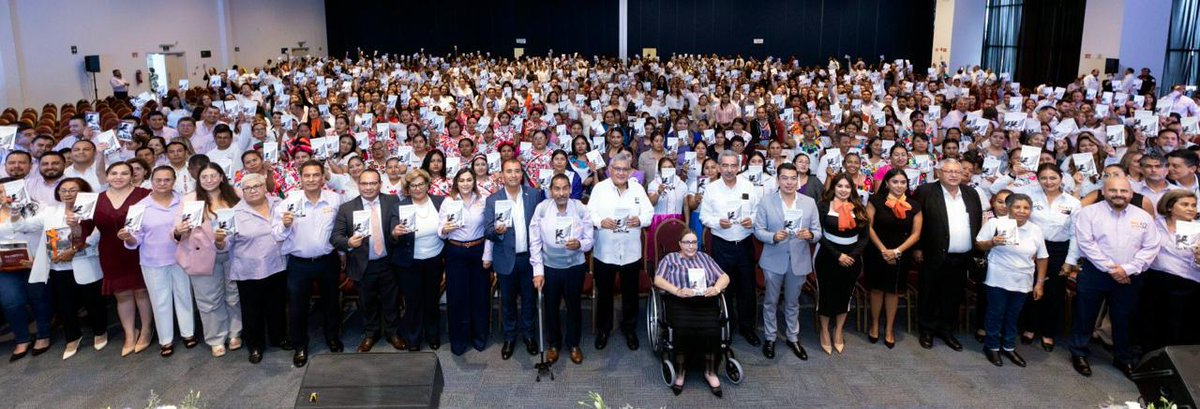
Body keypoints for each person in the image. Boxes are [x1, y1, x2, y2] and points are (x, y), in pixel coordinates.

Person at [1068, 176, 1160, 378]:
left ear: (1131, 193)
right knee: (1085, 314)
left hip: (1130, 276)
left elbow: (1151, 247)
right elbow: (1087, 244)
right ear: (1104, 191)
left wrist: (1127, 269)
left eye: (1124, 191)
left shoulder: (1143, 217)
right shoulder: (1089, 213)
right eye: (1113, 190)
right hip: (1095, 273)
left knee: (1123, 318)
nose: (1119, 195)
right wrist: (1113, 269)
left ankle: (1122, 358)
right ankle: (1079, 352)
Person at [118, 166, 198, 357]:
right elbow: (135, 239)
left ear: (174, 180)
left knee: (184, 296)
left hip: (181, 257)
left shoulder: (185, 202)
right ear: (151, 181)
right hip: (153, 260)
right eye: (158, 180)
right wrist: (127, 237)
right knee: (159, 301)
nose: (162, 184)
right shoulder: (139, 208)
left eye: (167, 180)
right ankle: (166, 340)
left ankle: (188, 333)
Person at [273, 160, 344, 364]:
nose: (312, 179)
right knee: (297, 307)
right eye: (307, 175)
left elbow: (341, 228)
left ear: (323, 177)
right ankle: (300, 346)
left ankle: (332, 338)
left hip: (328, 260)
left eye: (316, 175)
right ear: (300, 178)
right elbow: (276, 234)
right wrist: (285, 226)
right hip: (299, 264)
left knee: (331, 303)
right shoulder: (288, 202)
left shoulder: (334, 200)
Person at [81, 161, 154, 356]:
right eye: (114, 173)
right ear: (106, 176)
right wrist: (73, 223)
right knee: (121, 294)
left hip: (139, 248)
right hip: (110, 252)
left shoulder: (144, 195)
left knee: (141, 291)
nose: (118, 177)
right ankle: (130, 334)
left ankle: (146, 330)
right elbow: (83, 231)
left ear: (133, 176)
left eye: (124, 173)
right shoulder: (93, 199)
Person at [214, 173, 288, 364]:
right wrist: (219, 240)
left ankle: (279, 338)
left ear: (265, 187)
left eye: (257, 186)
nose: (253, 190)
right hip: (248, 269)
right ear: (242, 192)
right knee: (251, 310)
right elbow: (223, 245)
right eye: (248, 188)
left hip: (277, 265)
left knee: (277, 306)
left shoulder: (279, 204)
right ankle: (255, 346)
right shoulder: (234, 214)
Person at [29, 178, 105, 360]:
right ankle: (72, 337)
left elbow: (96, 234)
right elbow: (25, 225)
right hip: (59, 265)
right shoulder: (50, 211)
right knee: (65, 304)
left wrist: (73, 250)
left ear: (82, 191)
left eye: (73, 190)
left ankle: (100, 331)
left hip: (86, 260)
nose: (68, 193)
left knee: (92, 300)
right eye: (63, 190)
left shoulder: (91, 210)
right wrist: (14, 211)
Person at [913, 158, 983, 351]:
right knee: (930, 294)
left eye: (957, 172)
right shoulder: (925, 192)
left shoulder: (971, 193)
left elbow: (976, 222)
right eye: (948, 171)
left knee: (953, 295)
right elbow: (916, 222)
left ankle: (946, 330)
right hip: (933, 253)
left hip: (962, 256)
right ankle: (926, 331)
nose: (953, 175)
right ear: (939, 173)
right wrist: (917, 248)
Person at [332, 169, 405, 353]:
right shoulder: (347, 208)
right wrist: (348, 242)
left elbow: (399, 229)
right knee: (367, 302)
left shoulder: (392, 201)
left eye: (373, 183)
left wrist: (397, 233)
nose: (368, 187)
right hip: (363, 264)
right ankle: (371, 334)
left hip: (388, 262)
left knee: (391, 301)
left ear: (380, 184)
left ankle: (392, 333)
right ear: (359, 185)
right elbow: (335, 237)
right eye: (364, 183)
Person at [586, 152, 652, 351]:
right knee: (605, 293)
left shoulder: (638, 189)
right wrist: (600, 222)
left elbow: (649, 212)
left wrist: (639, 220)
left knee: (629, 293)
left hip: (631, 251)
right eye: (617, 169)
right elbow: (589, 213)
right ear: (609, 170)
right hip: (605, 251)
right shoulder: (599, 189)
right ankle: (603, 329)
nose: (621, 173)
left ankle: (629, 329)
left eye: (625, 169)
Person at [753, 163, 820, 359]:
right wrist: (773, 237)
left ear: (798, 180)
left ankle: (792, 337)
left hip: (798, 260)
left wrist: (809, 235)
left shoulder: (808, 202)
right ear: (778, 180)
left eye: (793, 178)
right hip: (773, 259)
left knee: (792, 302)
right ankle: (770, 337)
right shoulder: (766, 201)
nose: (789, 182)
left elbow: (817, 233)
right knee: (770, 301)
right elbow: (758, 230)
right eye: (785, 178)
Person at [653, 229, 730, 397]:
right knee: (683, 329)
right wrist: (678, 290)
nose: (691, 246)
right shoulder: (670, 259)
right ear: (680, 244)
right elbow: (658, 280)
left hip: (705, 302)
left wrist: (716, 288)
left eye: (694, 242)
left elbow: (725, 277)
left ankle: (710, 371)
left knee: (713, 329)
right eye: (687, 242)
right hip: (680, 301)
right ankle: (680, 373)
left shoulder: (705, 258)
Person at [974, 193, 1048, 367]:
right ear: (1009, 208)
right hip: (997, 277)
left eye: (1026, 208)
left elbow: (1043, 258)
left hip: (1023, 279)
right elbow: (978, 244)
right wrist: (992, 242)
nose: (1022, 211)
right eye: (1017, 207)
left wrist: (1039, 283)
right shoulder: (995, 223)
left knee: (1013, 314)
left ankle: (1008, 346)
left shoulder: (1035, 229)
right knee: (996, 312)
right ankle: (991, 346)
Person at [176, 163, 242, 358]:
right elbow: (176, 230)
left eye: (214, 175)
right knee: (209, 301)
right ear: (199, 179)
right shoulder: (190, 200)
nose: (209, 180)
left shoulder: (235, 195)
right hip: (202, 256)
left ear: (222, 177)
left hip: (233, 253)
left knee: (234, 296)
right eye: (205, 176)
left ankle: (235, 332)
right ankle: (216, 338)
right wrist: (179, 230)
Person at [529, 173, 595, 365]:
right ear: (551, 191)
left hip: (574, 266)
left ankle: (574, 344)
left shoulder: (580, 209)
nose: (561, 193)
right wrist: (538, 271)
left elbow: (590, 239)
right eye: (556, 189)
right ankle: (554, 345)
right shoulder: (542, 209)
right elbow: (534, 241)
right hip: (550, 267)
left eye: (564, 188)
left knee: (574, 306)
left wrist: (580, 245)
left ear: (570, 189)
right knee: (551, 307)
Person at [700, 150, 763, 346]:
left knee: (747, 288)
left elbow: (757, 211)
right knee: (723, 288)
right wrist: (718, 223)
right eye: (725, 166)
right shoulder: (711, 189)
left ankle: (747, 328)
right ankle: (726, 326)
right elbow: (704, 217)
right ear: (719, 167)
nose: (729, 170)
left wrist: (751, 220)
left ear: (739, 166)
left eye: (733, 165)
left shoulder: (749, 186)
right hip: (722, 245)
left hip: (744, 244)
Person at [483, 159, 544, 359]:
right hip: (505, 259)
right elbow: (488, 231)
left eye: (517, 171)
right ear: (502, 175)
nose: (513, 175)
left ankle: (528, 335)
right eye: (509, 171)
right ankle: (509, 337)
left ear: (522, 174)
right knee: (507, 301)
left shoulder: (534, 195)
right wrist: (497, 231)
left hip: (529, 258)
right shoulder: (493, 200)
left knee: (529, 300)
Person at [1019, 164, 1079, 352]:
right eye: (1043, 178)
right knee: (1030, 289)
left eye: (1053, 178)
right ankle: (1029, 328)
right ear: (1038, 179)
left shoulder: (1073, 202)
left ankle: (1048, 332)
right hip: (1032, 248)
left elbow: (1075, 235)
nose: (1048, 182)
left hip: (1059, 250)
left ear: (1061, 178)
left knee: (1053, 293)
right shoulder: (1030, 197)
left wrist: (1070, 261)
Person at [865, 167, 922, 349]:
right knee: (877, 290)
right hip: (876, 251)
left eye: (903, 182)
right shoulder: (875, 201)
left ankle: (889, 329)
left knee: (893, 291)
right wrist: (883, 250)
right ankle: (874, 324)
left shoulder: (914, 205)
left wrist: (896, 251)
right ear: (887, 183)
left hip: (901, 254)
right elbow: (868, 227)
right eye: (895, 182)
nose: (899, 185)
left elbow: (916, 234)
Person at [814, 173, 869, 354]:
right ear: (833, 187)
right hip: (827, 256)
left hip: (852, 258)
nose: (843, 190)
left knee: (845, 295)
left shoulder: (859, 207)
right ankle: (824, 330)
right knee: (827, 294)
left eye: (847, 186)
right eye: (840, 186)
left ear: (852, 189)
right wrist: (838, 255)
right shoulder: (823, 206)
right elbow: (818, 234)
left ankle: (838, 331)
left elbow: (864, 237)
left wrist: (852, 255)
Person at [1138, 190, 1200, 352]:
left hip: (1185, 283)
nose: (1191, 208)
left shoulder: (1196, 229)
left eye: (1193, 205)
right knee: (1150, 321)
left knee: (1175, 326)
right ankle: (1146, 358)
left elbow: (1194, 264)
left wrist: (1198, 259)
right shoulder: (1155, 224)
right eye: (1185, 204)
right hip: (1154, 278)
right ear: (1170, 206)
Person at [438, 168, 488, 356]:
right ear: (456, 183)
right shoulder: (448, 202)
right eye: (462, 180)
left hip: (478, 251)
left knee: (479, 296)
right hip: (455, 251)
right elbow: (439, 230)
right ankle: (458, 340)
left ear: (474, 181)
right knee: (457, 297)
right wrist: (445, 229)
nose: (466, 183)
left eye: (469, 180)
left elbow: (488, 229)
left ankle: (479, 337)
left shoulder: (483, 201)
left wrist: (488, 255)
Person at [0, 178, 51, 361]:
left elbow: (47, 230)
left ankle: (43, 335)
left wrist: (41, 256)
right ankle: (22, 339)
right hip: (4, 267)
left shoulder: (37, 207)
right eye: (0, 192)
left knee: (39, 298)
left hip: (34, 261)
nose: (5, 196)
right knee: (11, 302)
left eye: (9, 191)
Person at [393, 169, 444, 351]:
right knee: (413, 301)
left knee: (431, 301)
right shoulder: (399, 207)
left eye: (421, 184)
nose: (417, 188)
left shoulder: (440, 202)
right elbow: (391, 234)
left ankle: (433, 335)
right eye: (413, 185)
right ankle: (414, 338)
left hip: (434, 260)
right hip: (409, 263)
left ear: (428, 185)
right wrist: (395, 233)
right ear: (408, 188)